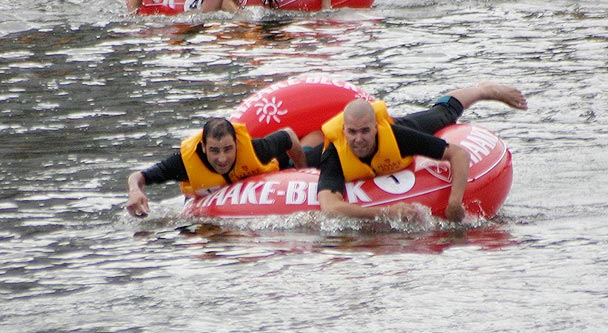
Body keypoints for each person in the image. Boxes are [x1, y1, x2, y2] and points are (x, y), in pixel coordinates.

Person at [317, 82, 527, 222]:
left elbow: (459, 154)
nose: (359, 139)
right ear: (344, 131)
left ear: (375, 127)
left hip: (405, 128)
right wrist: (385, 212)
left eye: (365, 131)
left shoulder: (398, 137)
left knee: (443, 113)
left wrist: (454, 202)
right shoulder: (335, 152)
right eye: (352, 132)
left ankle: (484, 89)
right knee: (306, 156)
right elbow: (330, 206)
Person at [126, 118, 311, 217]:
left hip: (279, 169)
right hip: (206, 203)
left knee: (315, 151)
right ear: (204, 147)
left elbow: (289, 136)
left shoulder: (256, 149)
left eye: (228, 149)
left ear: (237, 145)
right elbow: (138, 176)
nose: (222, 159)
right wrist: (134, 191)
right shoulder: (183, 163)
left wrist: (301, 172)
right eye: (214, 151)